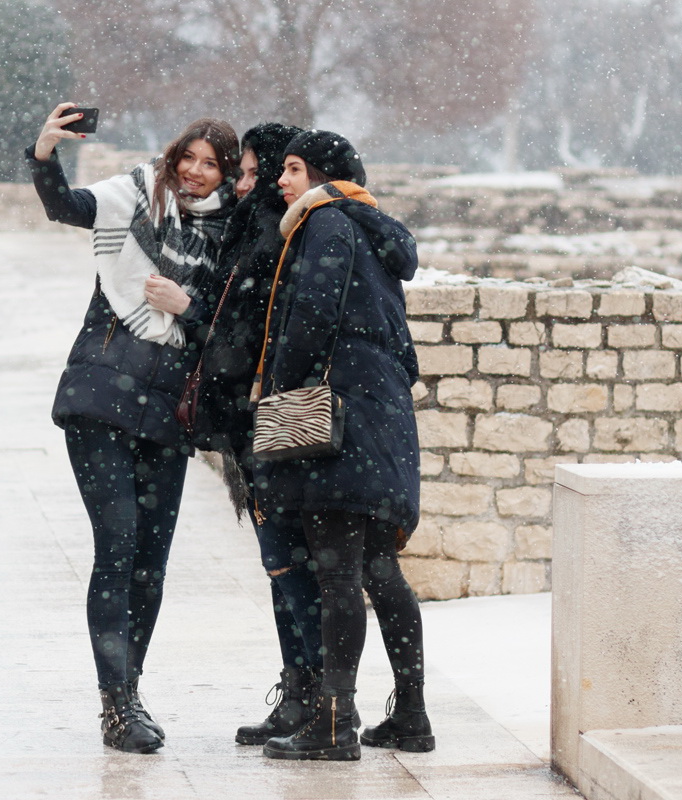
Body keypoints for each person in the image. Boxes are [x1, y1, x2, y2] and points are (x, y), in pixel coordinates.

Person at [25, 103, 238, 754]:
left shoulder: (230, 236)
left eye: (211, 164)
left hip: (168, 416)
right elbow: (66, 207)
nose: (195, 172)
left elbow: (229, 331)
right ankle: (115, 704)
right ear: (173, 156)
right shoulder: (134, 197)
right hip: (100, 397)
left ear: (227, 174)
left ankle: (130, 691)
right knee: (118, 546)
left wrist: (187, 305)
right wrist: (44, 155)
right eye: (188, 158)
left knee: (151, 563)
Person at [242, 130, 431, 761]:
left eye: (294, 169)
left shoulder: (324, 222)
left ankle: (333, 724)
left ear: (323, 176)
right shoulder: (373, 228)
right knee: (379, 568)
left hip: (339, 419)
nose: (282, 180)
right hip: (382, 412)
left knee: (338, 572)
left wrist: (278, 390)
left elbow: (311, 317)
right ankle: (411, 714)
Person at [188, 123, 334, 745]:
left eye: (256, 172)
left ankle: (317, 698)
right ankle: (301, 691)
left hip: (272, 418)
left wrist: (189, 313)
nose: (245, 184)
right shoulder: (255, 229)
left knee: (290, 563)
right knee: (282, 566)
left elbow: (250, 330)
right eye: (243, 173)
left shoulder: (276, 235)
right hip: (254, 418)